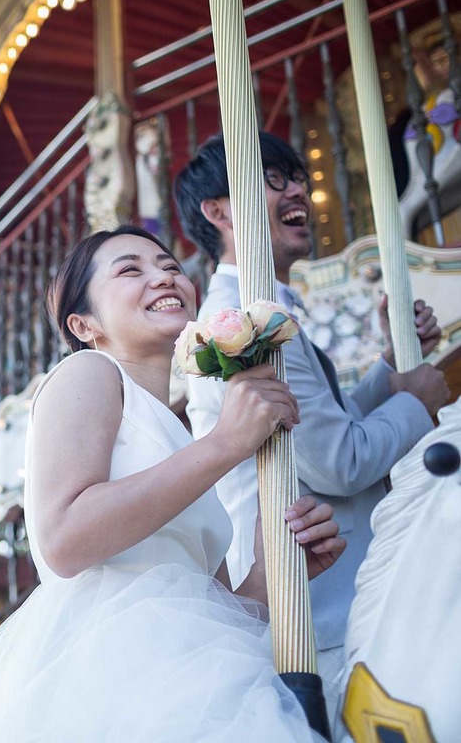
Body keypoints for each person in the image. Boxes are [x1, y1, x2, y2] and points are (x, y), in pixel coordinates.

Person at [0, 225, 346, 741]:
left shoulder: (176, 433)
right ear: (83, 325)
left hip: (185, 661)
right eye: (131, 269)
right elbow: (64, 538)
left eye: (170, 267)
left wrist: (273, 573)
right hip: (117, 661)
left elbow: (210, 601)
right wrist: (225, 445)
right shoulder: (89, 373)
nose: (164, 277)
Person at [174, 132, 449, 692]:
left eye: (297, 176)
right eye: (274, 178)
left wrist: (391, 371)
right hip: (320, 608)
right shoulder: (240, 319)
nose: (297, 187)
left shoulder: (265, 309)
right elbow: (340, 464)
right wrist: (415, 400)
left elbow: (322, 431)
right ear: (219, 210)